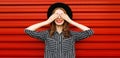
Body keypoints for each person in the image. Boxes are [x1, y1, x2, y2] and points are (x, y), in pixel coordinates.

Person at [24, 2, 94, 58]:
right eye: (56, 15)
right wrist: (47, 21)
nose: (59, 17)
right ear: (52, 17)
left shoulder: (72, 34)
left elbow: (90, 32)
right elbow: (28, 30)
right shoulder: (46, 34)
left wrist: (70, 20)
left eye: (62, 15)